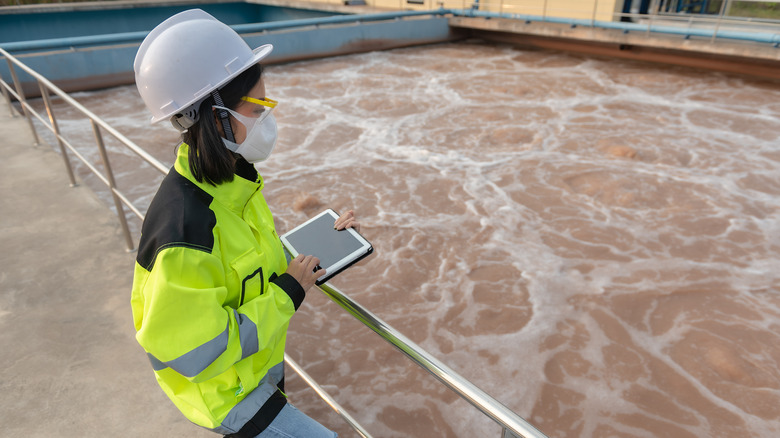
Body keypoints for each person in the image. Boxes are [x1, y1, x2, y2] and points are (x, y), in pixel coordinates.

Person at [130, 9, 358, 437]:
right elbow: (194, 350)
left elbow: (248, 261)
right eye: (257, 105)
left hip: (254, 377)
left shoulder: (232, 184)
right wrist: (289, 292)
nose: (268, 115)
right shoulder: (185, 229)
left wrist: (323, 244)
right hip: (226, 395)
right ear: (215, 117)